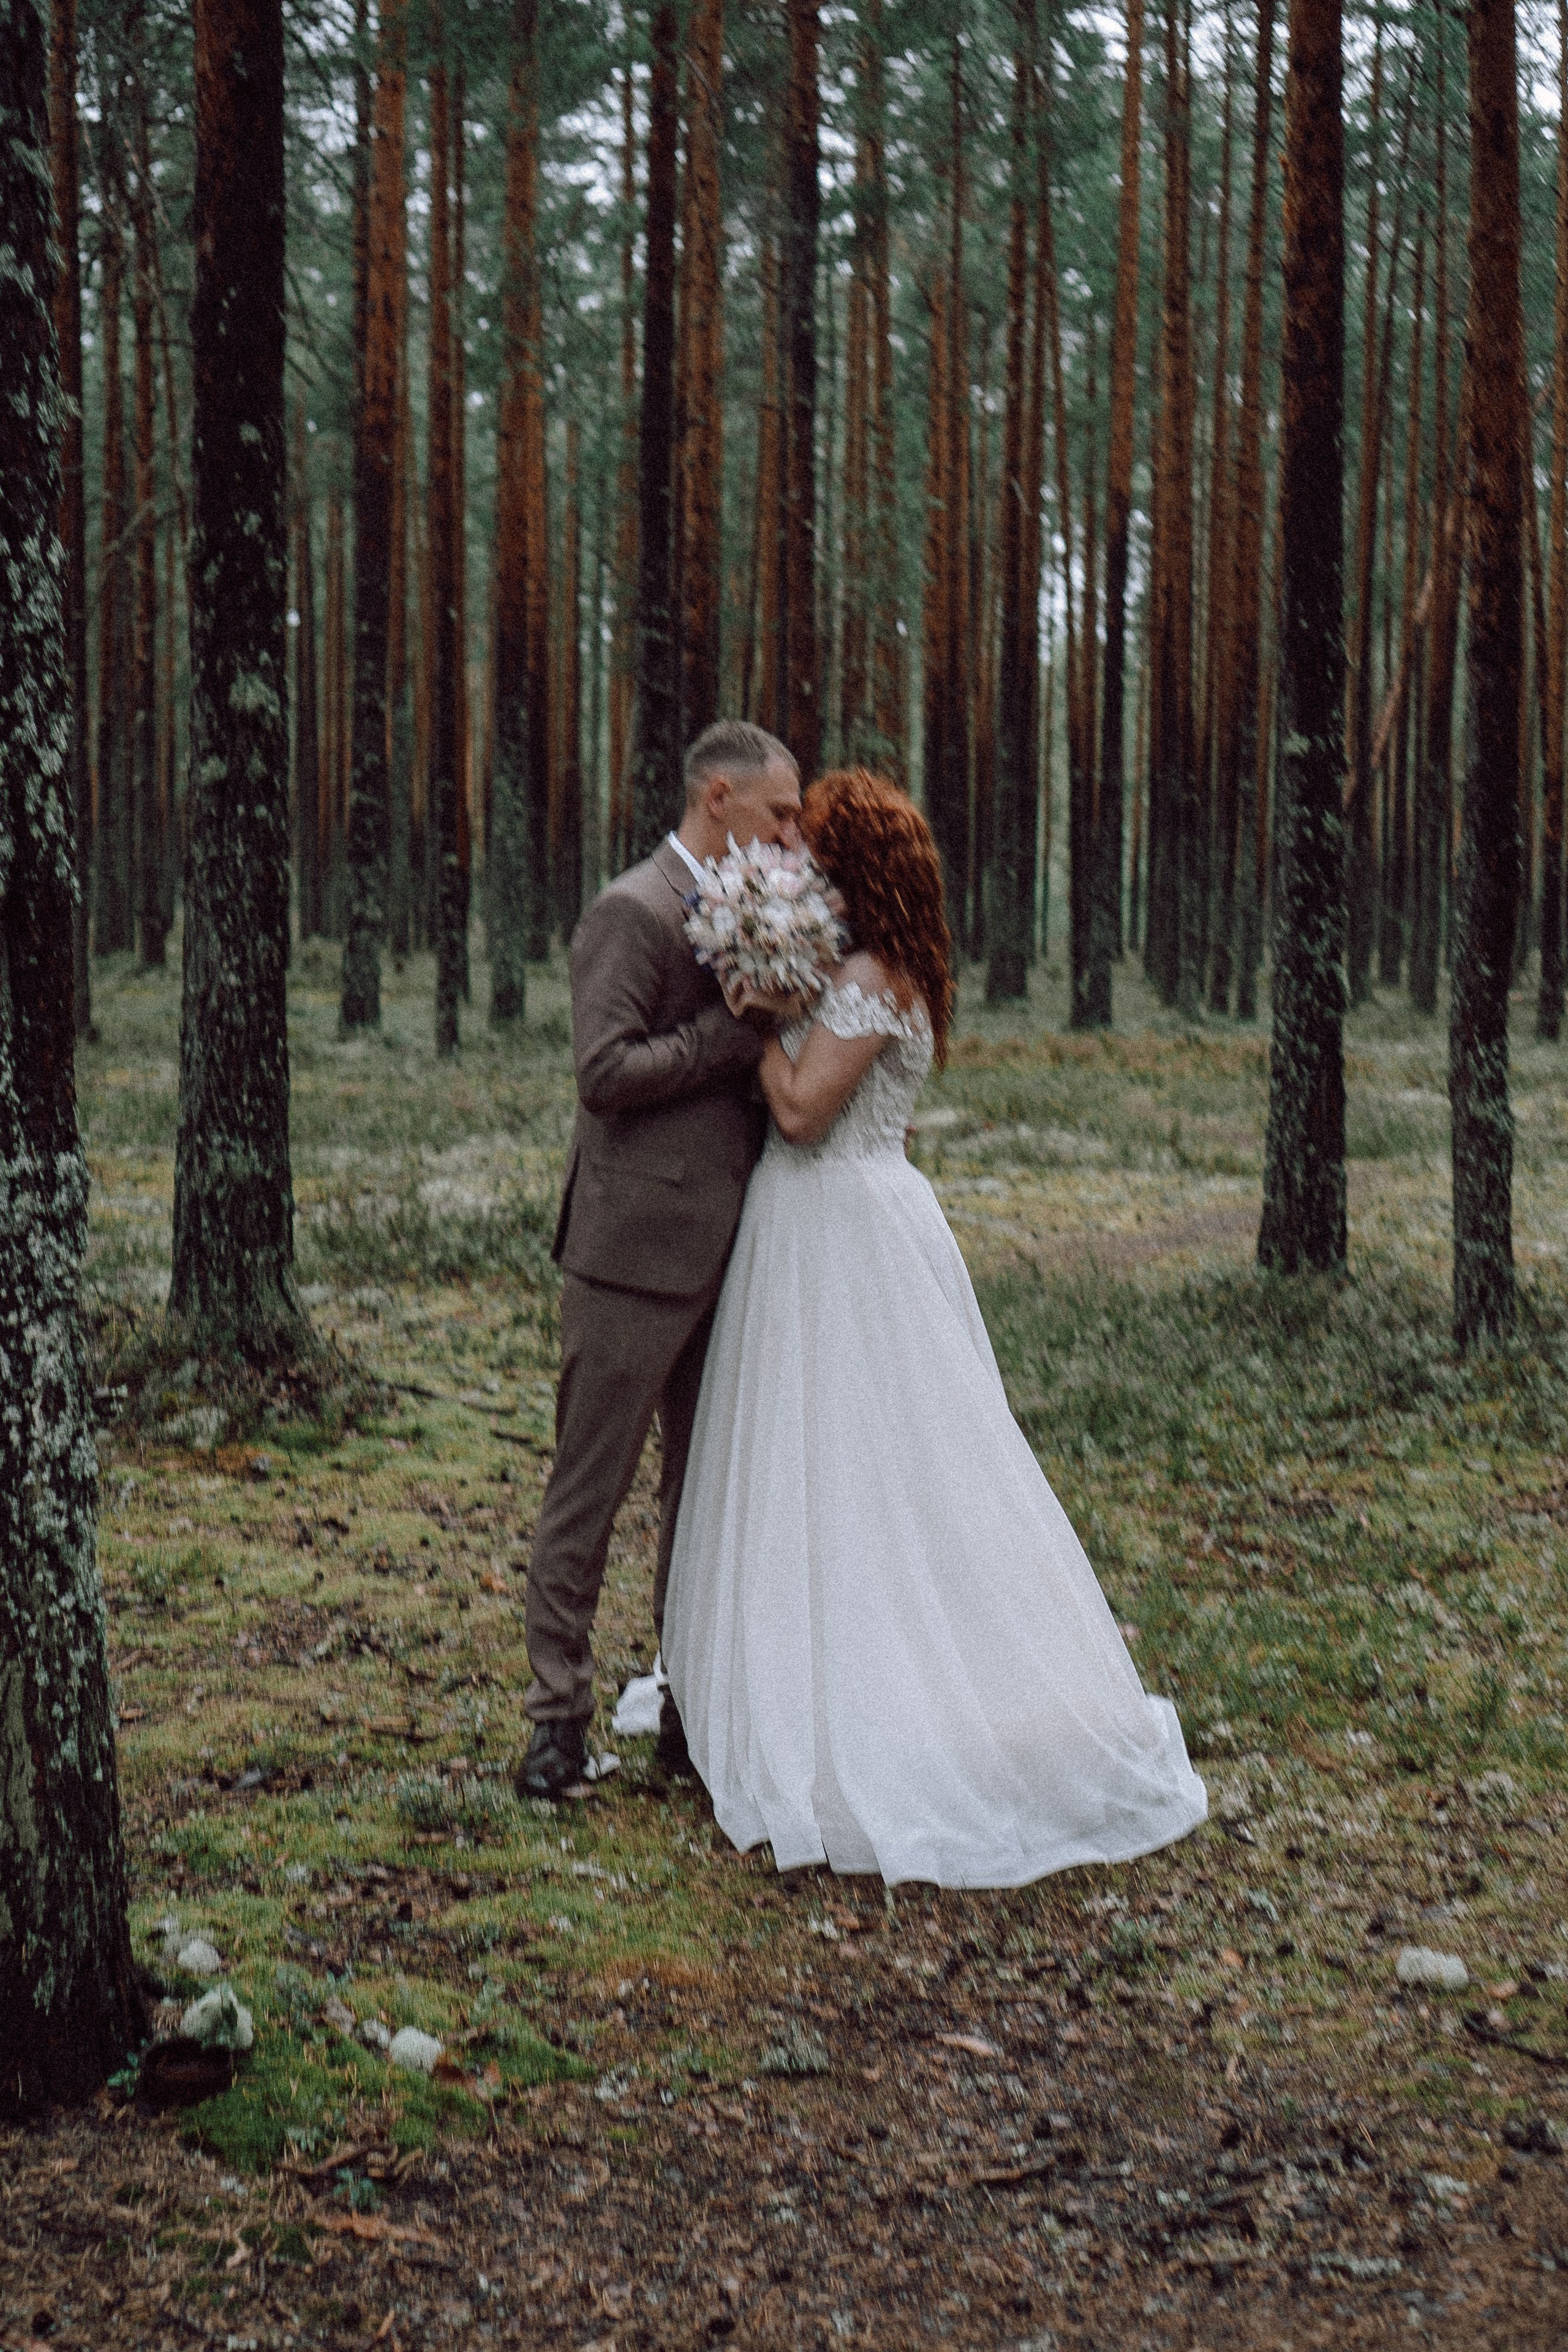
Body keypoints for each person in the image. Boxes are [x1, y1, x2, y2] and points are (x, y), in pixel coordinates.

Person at [662, 769, 1207, 1887]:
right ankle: (803, 1668)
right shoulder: (876, 967)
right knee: (816, 1456)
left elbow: (808, 1114)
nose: (798, 864)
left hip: (840, 1228)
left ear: (854, 867)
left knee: (875, 1461)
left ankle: (871, 1700)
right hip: (829, 1225)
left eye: (815, 851)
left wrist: (758, 1023)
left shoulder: (871, 977)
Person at [515, 720, 803, 1800]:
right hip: (631, 1253)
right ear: (716, 798)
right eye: (779, 815)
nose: (791, 837)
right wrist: (733, 1038)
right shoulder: (631, 911)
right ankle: (556, 1720)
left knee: (703, 1495)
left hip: (734, 1250)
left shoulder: (758, 915)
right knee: (589, 1490)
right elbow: (604, 1071)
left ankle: (688, 1708)